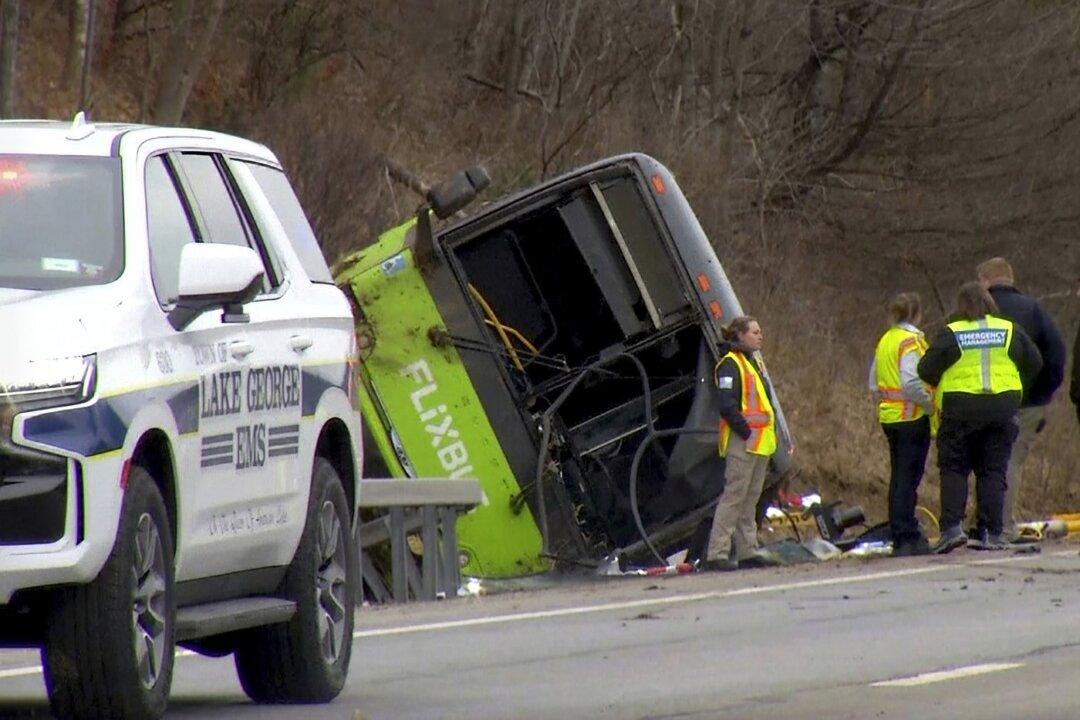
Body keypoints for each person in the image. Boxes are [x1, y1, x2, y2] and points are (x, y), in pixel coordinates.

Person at [917, 282, 1042, 553]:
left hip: (960, 407)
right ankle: (992, 532)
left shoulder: (953, 333)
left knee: (954, 469)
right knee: (993, 471)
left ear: (960, 306)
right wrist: (1013, 383)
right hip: (1002, 407)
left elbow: (925, 369)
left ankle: (952, 529)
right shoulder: (1008, 330)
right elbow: (1035, 362)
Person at [977, 258, 1066, 542]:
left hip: (979, 397)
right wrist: (1041, 394)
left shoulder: (974, 312)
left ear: (985, 280)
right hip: (1026, 401)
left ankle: (980, 523)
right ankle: (1001, 526)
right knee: (1010, 460)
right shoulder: (1033, 310)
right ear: (1010, 279)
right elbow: (1056, 355)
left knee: (982, 459)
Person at [703, 316, 778, 571]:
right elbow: (727, 405)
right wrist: (746, 432)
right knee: (734, 497)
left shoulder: (751, 363)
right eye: (755, 332)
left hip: (758, 443)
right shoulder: (730, 365)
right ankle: (717, 553)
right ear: (740, 336)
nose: (760, 335)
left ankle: (748, 551)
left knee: (749, 500)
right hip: (744, 442)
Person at [869, 293, 934, 556]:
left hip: (890, 417)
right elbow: (910, 382)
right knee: (908, 479)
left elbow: (873, 383)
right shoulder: (911, 341)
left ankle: (899, 533)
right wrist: (929, 404)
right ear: (917, 314)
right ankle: (906, 534)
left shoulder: (886, 340)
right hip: (912, 417)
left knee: (898, 478)